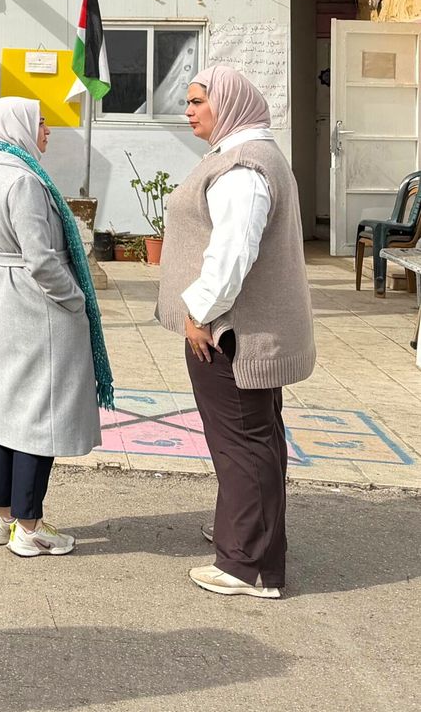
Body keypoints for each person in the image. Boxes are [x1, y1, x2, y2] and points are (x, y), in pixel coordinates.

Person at [157, 64, 314, 599]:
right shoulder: (239, 157)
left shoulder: (244, 167)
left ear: (228, 103)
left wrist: (200, 312)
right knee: (252, 441)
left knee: (243, 444)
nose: (189, 110)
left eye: (198, 100)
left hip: (231, 335)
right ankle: (247, 536)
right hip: (236, 331)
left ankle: (248, 565)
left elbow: (233, 252)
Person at [0, 97, 112, 558]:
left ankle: (2, 515)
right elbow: (42, 259)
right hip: (38, 306)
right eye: (40, 122)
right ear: (15, 126)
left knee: (8, 405)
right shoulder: (23, 179)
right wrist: (76, 299)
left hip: (2, 298)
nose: (46, 129)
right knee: (39, 414)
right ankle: (29, 525)